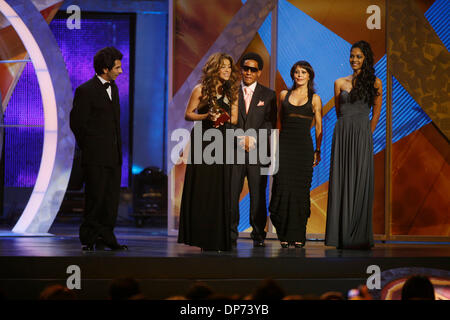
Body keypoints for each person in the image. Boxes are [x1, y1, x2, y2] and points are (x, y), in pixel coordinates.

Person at [177, 52, 239, 252]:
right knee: (203, 187)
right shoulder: (200, 89)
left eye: (229, 66)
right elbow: (188, 115)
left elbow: (235, 120)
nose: (227, 70)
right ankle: (201, 237)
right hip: (203, 141)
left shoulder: (232, 91)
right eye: (223, 67)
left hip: (222, 142)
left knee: (220, 187)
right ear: (215, 69)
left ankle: (218, 238)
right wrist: (207, 115)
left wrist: (223, 117)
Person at [325, 40, 382, 250]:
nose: (354, 60)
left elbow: (376, 112)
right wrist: (346, 129)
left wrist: (368, 133)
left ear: (365, 58)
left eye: (358, 56)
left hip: (362, 134)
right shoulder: (339, 82)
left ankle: (357, 235)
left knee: (359, 180)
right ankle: (338, 234)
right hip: (343, 134)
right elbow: (339, 111)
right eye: (351, 56)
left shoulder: (375, 82)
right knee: (341, 179)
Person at [70, 46, 127, 251]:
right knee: (95, 197)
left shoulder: (115, 88)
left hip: (113, 155)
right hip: (95, 156)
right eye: (117, 67)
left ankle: (106, 236)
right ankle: (90, 237)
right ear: (105, 69)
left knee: (110, 199)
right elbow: (77, 123)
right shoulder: (86, 91)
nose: (121, 71)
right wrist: (91, 147)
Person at [269, 61, 323, 248]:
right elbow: (277, 123)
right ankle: (283, 234)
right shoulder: (284, 95)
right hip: (284, 148)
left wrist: (318, 150)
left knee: (300, 192)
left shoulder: (315, 99)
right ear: (293, 75)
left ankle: (298, 234)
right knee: (282, 189)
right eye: (296, 72)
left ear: (309, 76)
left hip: (303, 150)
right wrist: (273, 148)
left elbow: (318, 127)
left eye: (303, 72)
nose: (299, 75)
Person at [230, 52, 277, 248]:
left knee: (258, 194)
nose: (248, 72)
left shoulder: (269, 95)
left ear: (259, 72)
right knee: (231, 194)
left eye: (253, 69)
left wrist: (253, 139)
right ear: (241, 70)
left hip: (257, 152)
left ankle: (258, 234)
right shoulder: (231, 91)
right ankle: (230, 234)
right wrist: (240, 137)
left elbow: (270, 122)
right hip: (233, 151)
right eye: (245, 68)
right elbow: (226, 120)